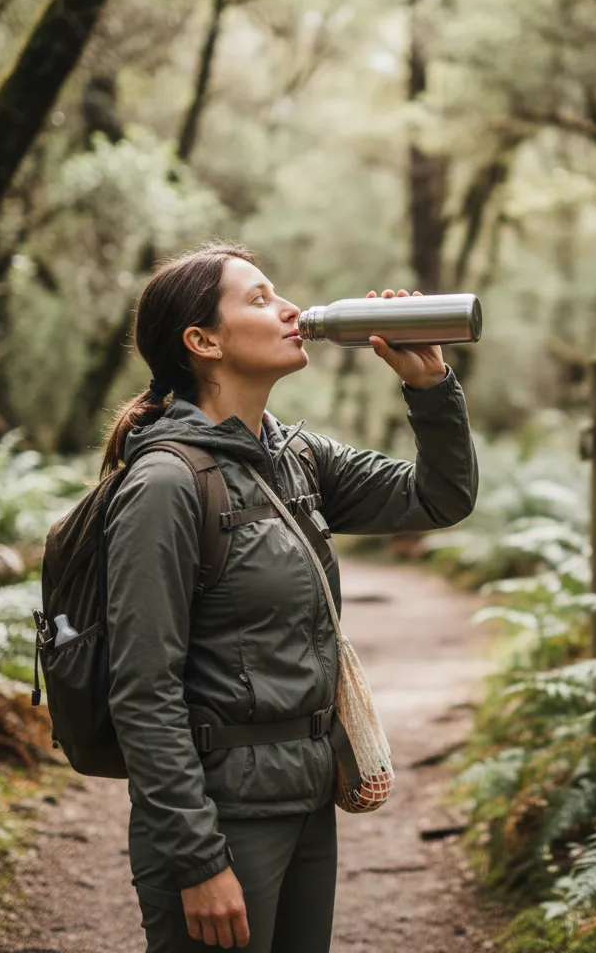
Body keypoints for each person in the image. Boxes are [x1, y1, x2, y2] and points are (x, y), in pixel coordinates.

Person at [99, 242, 478, 953]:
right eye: (260, 298)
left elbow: (439, 497)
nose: (290, 310)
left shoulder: (295, 459)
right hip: (221, 817)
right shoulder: (164, 487)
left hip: (307, 800)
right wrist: (197, 860)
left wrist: (430, 387)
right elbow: (143, 692)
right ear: (202, 342)